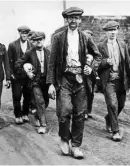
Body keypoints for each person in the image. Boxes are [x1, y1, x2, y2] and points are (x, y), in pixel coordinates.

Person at [46, 7, 101, 159]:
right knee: (64, 110)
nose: (73, 21)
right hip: (64, 78)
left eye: (76, 18)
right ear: (66, 19)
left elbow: (98, 56)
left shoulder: (85, 37)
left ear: (80, 20)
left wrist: (91, 67)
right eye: (71, 18)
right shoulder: (58, 38)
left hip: (81, 79)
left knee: (79, 112)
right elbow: (51, 63)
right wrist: (50, 83)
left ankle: (76, 146)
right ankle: (64, 138)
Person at [97, 21, 130, 141]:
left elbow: (128, 63)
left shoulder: (122, 45)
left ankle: (109, 118)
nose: (112, 33)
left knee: (121, 104)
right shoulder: (100, 46)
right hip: (108, 81)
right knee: (112, 104)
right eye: (109, 30)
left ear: (117, 31)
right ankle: (115, 131)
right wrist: (105, 62)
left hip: (121, 80)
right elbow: (95, 64)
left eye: (114, 30)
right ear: (106, 32)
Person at [15, 31, 50, 134]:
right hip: (35, 81)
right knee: (40, 101)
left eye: (41, 39)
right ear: (33, 42)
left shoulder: (48, 52)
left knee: (46, 102)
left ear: (44, 40)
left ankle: (37, 116)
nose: (39, 41)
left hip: (46, 81)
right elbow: (18, 64)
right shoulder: (29, 52)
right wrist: (26, 71)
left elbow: (53, 67)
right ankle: (43, 125)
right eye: (36, 40)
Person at [7, 25, 35, 124]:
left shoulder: (32, 46)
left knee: (27, 96)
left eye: (26, 33)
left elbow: (34, 61)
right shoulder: (12, 45)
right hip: (16, 76)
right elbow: (8, 62)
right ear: (19, 33)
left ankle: (25, 114)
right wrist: (10, 75)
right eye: (22, 33)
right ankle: (18, 115)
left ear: (28, 34)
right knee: (17, 96)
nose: (24, 35)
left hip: (28, 76)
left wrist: (32, 72)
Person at [83, 29, 97, 119]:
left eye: (90, 36)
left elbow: (97, 59)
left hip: (92, 74)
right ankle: (83, 111)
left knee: (90, 92)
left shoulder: (93, 48)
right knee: (82, 91)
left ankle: (88, 110)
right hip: (82, 73)